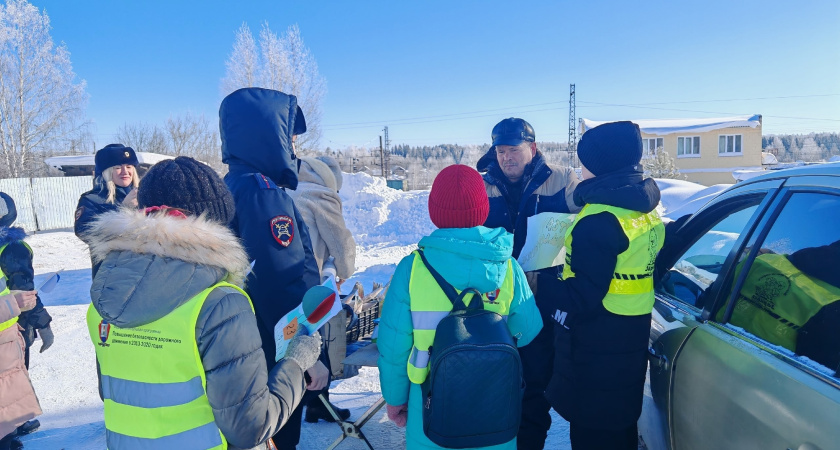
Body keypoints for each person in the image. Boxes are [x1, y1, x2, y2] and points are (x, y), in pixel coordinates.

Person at [84, 156, 323, 450]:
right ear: (212, 224)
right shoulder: (220, 302)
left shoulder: (105, 295)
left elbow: (114, 393)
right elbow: (250, 427)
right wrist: (296, 364)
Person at [378, 164, 543, 450]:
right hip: (494, 397)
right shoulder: (507, 266)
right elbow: (527, 331)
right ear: (483, 208)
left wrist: (395, 399)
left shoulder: (412, 268)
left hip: (429, 397)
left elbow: (394, 346)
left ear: (434, 210)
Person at [542, 121, 664, 449]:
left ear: (599, 166)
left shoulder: (599, 219)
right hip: (629, 337)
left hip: (596, 349)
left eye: (584, 163)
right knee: (620, 429)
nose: (579, 169)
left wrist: (538, 283)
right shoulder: (643, 207)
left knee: (593, 436)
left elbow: (581, 296)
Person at [220, 87, 327, 449]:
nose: (294, 147)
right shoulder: (263, 193)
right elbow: (279, 282)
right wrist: (306, 353)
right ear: (269, 137)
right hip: (272, 348)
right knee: (279, 437)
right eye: (289, 138)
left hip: (244, 341)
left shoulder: (232, 185)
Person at [476, 117, 580, 449]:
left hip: (541, 302)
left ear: (532, 149)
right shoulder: (483, 186)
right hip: (493, 305)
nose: (507, 157)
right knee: (493, 385)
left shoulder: (562, 180)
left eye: (514, 150)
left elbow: (592, 210)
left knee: (535, 388)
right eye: (501, 150)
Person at [288, 155, 356, 424]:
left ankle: (312, 405)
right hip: (309, 282)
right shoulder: (323, 195)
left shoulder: (291, 189)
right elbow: (341, 245)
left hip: (282, 280)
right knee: (316, 340)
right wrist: (342, 271)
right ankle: (316, 404)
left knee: (291, 337)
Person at [0, 193, 53, 440]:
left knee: (11, 378)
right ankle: (15, 423)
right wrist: (43, 322)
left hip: (11, 323)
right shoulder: (10, 246)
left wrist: (41, 321)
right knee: (11, 378)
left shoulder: (10, 247)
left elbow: (23, 291)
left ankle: (15, 421)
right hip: (9, 325)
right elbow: (24, 293)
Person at [74, 144, 140, 277]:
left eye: (128, 167)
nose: (125, 172)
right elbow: (86, 233)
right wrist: (123, 209)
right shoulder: (92, 200)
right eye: (117, 167)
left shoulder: (144, 195)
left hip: (141, 274)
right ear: (106, 172)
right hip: (111, 277)